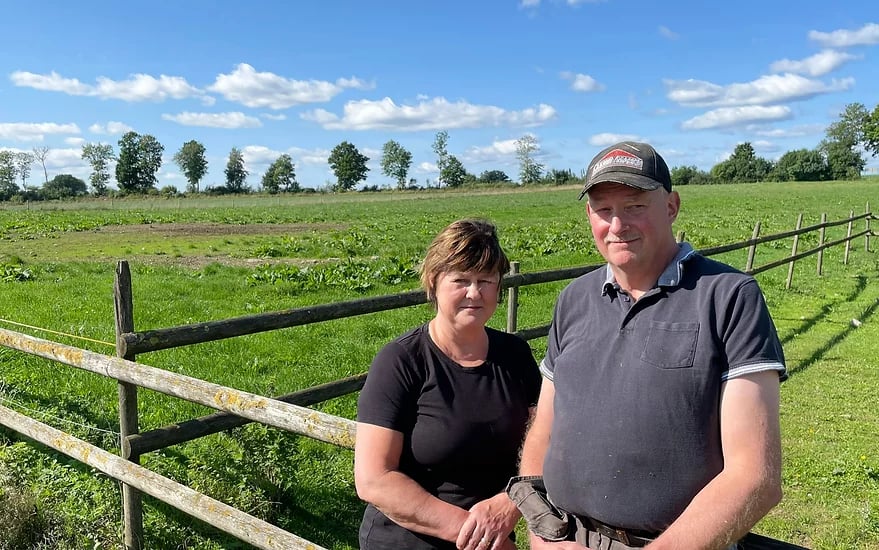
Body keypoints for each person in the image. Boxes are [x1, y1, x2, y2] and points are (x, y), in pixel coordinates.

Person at [515, 142, 786, 550]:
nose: (617, 224)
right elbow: (545, 426)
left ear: (672, 206)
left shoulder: (728, 297)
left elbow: (755, 477)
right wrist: (541, 526)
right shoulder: (574, 299)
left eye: (635, 206)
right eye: (603, 210)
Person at [355, 218, 541, 550]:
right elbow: (374, 480)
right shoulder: (401, 361)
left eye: (486, 280)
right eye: (461, 280)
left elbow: (544, 439)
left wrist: (512, 503)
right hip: (409, 541)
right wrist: (480, 535)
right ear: (433, 282)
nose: (475, 292)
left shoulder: (515, 355)